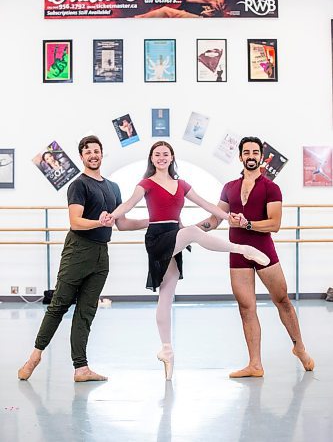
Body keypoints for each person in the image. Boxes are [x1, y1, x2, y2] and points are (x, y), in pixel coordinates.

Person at [108, 141, 270, 381]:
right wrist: (111, 216)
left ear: (172, 157)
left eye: (166, 154)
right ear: (152, 159)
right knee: (193, 232)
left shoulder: (182, 184)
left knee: (166, 295)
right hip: (158, 239)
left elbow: (207, 204)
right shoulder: (146, 184)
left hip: (174, 235)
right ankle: (242, 249)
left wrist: (231, 218)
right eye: (157, 155)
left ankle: (167, 351)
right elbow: (128, 204)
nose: (161, 158)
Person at [18, 135, 148, 382]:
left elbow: (121, 223)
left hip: (101, 253)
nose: (93, 155)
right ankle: (35, 356)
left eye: (96, 150)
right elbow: (75, 221)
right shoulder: (78, 185)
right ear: (81, 157)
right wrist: (98, 221)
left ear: (102, 154)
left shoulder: (113, 188)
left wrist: (149, 222)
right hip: (78, 250)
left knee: (87, 311)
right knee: (59, 305)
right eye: (87, 151)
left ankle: (81, 368)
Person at [199, 136, 314, 378]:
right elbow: (215, 218)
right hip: (238, 253)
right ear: (240, 156)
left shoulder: (271, 188)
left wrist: (248, 224)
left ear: (261, 157)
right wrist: (190, 231)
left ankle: (299, 347)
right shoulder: (229, 187)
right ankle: (255, 364)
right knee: (246, 307)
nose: (251, 156)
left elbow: (275, 224)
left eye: (255, 153)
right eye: (246, 152)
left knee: (282, 299)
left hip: (263, 250)